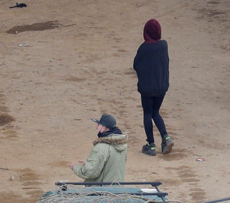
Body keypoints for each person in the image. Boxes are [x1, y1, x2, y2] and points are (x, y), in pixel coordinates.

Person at [132, 19, 173, 156]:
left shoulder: (144, 48)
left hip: (148, 89)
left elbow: (136, 65)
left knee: (148, 113)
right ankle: (166, 137)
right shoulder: (164, 45)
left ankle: (151, 145)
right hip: (162, 87)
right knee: (156, 112)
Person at [68, 115, 128, 183]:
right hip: (118, 189)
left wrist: (76, 168)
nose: (96, 127)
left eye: (99, 125)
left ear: (104, 128)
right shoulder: (123, 145)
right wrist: (90, 163)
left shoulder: (100, 148)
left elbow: (90, 172)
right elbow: (111, 164)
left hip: (102, 191)